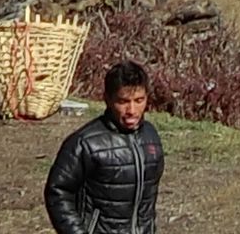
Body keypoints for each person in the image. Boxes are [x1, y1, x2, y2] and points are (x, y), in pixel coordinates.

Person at [46, 62, 165, 234]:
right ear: (108, 99)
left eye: (139, 100)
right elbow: (58, 192)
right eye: (123, 101)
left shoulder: (151, 136)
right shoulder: (85, 143)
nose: (132, 110)